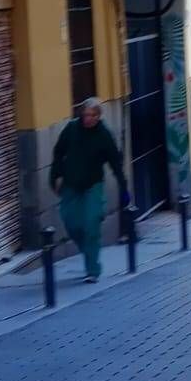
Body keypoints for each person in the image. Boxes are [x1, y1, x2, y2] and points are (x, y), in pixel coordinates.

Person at [49, 96, 126, 283]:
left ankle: (93, 269)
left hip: (93, 185)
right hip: (70, 184)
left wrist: (124, 187)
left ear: (99, 116)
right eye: (85, 114)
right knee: (71, 223)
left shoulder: (104, 135)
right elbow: (58, 152)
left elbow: (115, 163)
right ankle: (89, 251)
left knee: (91, 225)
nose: (88, 118)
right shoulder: (72, 129)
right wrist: (55, 176)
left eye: (92, 115)